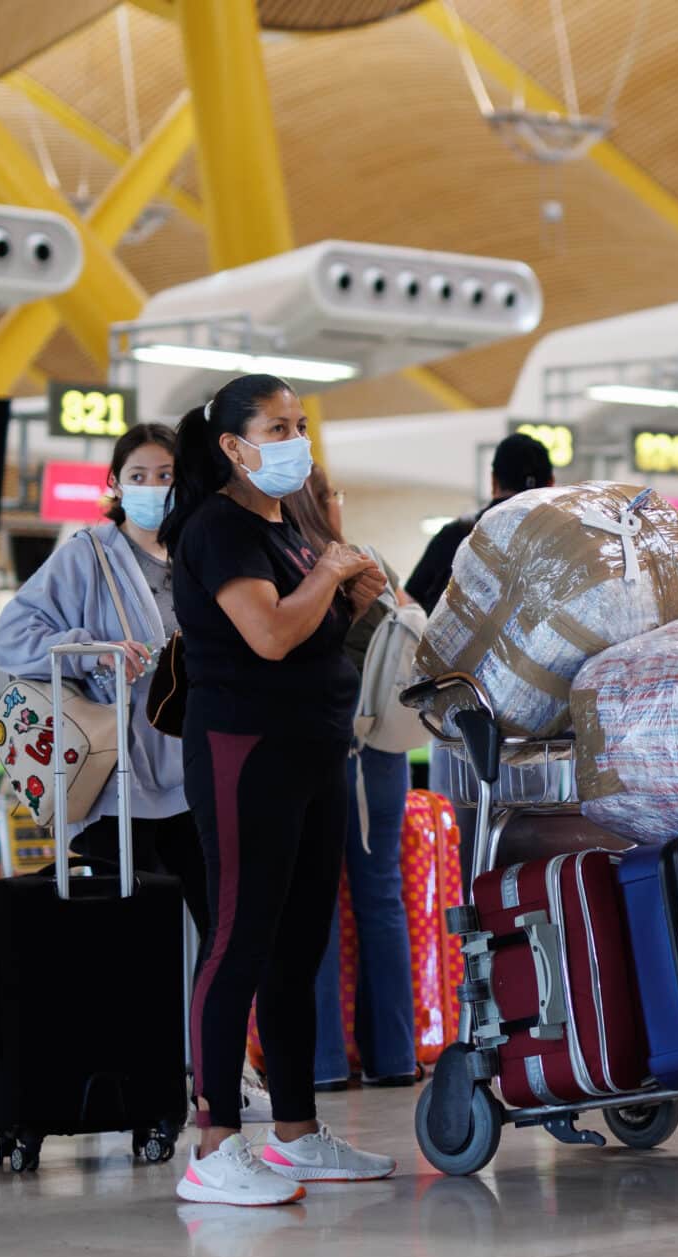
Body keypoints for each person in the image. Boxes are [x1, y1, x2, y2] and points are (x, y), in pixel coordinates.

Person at [0, 423, 273, 1123]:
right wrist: (87, 649)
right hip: (117, 779)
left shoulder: (200, 550)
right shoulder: (87, 555)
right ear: (113, 485)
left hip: (196, 769)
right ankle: (131, 1074)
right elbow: (11, 637)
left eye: (166, 474)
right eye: (139, 474)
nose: (154, 488)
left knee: (218, 927)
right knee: (128, 939)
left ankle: (220, 1067)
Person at [164, 374, 397, 1206]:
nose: (296, 439)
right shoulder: (218, 528)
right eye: (277, 426)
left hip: (316, 752)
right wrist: (329, 574)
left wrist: (355, 597)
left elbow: (318, 636)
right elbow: (266, 635)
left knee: (300, 949)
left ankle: (297, 1133)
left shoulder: (293, 528)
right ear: (233, 446)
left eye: (301, 424)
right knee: (238, 940)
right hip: (246, 752)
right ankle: (215, 1141)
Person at [286, 469, 419, 1091]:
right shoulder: (370, 563)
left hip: (311, 748)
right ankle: (393, 1056)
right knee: (381, 900)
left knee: (314, 904)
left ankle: (324, 1065)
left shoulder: (288, 567)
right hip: (381, 755)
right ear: (326, 504)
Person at [404, 430, 555, 614]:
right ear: (551, 485)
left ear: (493, 481)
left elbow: (409, 604)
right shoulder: (558, 547)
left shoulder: (455, 534)